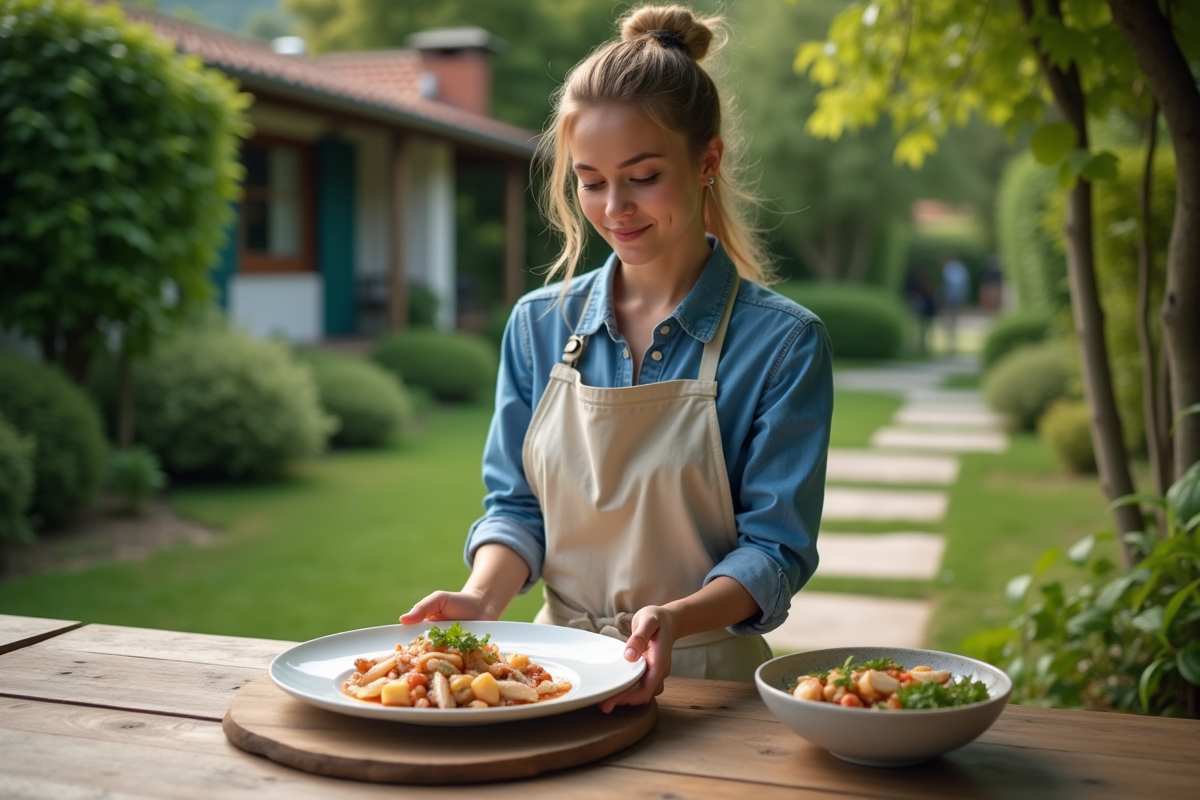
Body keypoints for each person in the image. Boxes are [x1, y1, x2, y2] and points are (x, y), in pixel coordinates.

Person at [401, 4, 833, 712]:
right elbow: (517, 507)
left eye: (642, 176)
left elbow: (776, 550)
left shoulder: (782, 344)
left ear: (708, 162)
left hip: (707, 688)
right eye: (591, 180)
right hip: (551, 683)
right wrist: (482, 595)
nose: (614, 208)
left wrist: (674, 619)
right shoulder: (539, 324)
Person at [940, 254, 970, 354]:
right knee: (954, 321)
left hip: (951, 298)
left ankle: (950, 342)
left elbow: (948, 286)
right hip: (958, 298)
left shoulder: (948, 270)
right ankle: (952, 342)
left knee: (948, 320)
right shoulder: (961, 268)